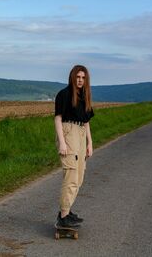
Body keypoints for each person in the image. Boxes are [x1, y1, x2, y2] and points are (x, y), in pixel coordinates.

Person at [54, 65, 94, 228]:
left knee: (79, 177)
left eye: (83, 78)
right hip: (68, 132)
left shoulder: (84, 96)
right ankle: (63, 217)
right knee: (71, 176)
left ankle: (67, 211)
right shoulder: (64, 94)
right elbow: (57, 119)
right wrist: (62, 142)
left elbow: (86, 122)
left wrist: (90, 143)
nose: (80, 80)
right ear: (72, 77)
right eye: (78, 77)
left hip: (81, 134)